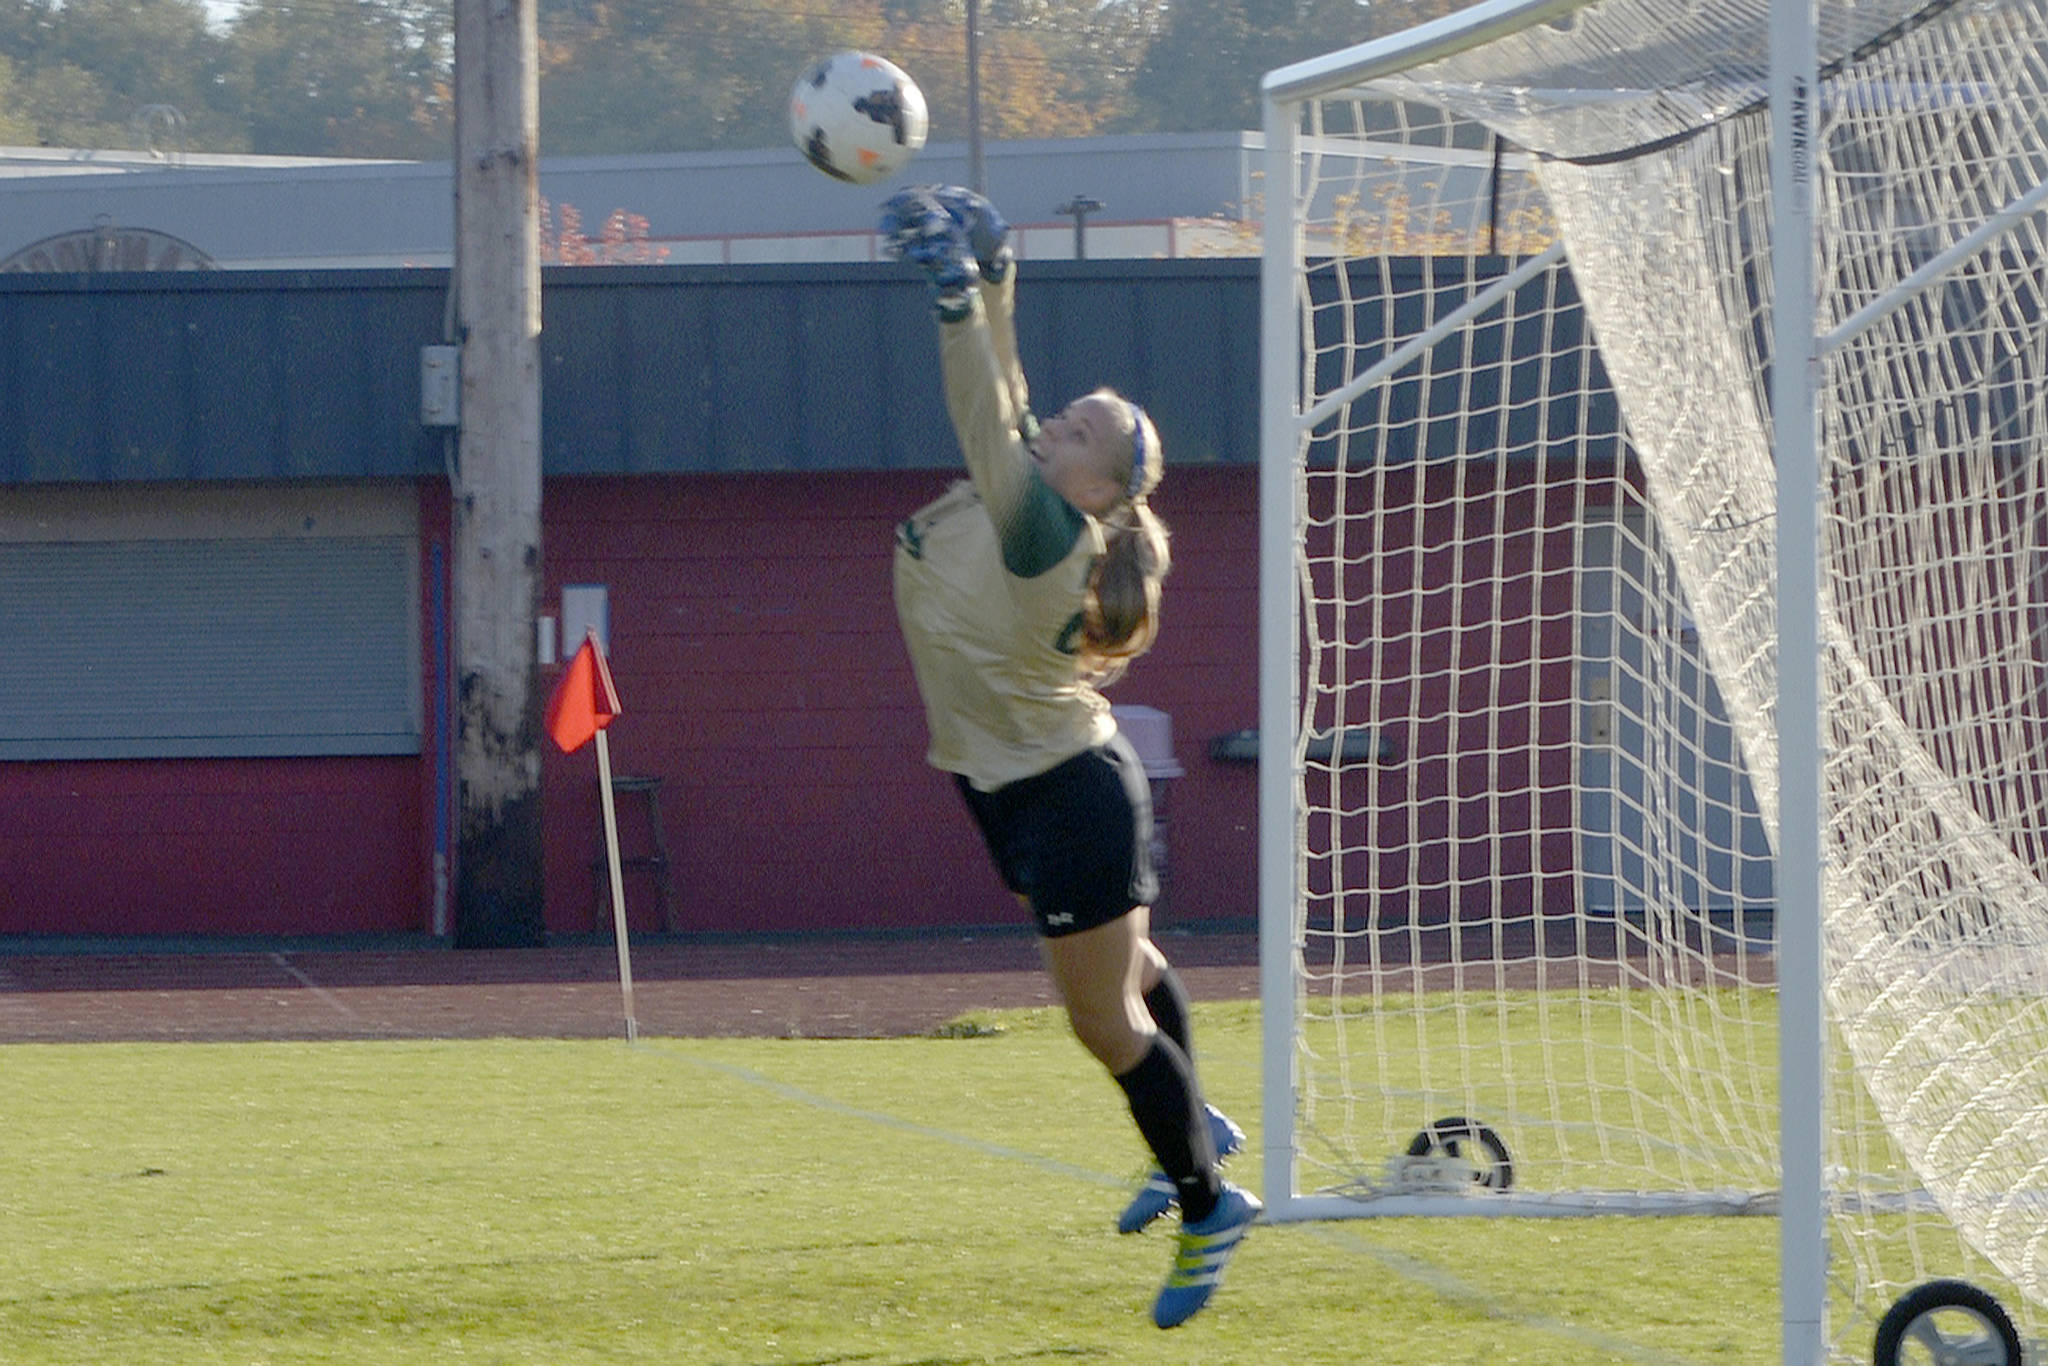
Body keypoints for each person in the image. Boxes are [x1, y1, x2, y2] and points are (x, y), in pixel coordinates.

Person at [880, 184, 1258, 1330]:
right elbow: (1008, 399)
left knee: (1100, 1024)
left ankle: (1206, 1198)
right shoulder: (1038, 495)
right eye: (1065, 419)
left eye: (1081, 433)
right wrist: (991, 271)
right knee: (1129, 974)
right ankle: (1198, 1125)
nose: (1056, 428)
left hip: (1065, 797)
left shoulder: (1046, 527)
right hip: (1010, 781)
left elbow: (981, 408)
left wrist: (958, 298)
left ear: (1102, 490)